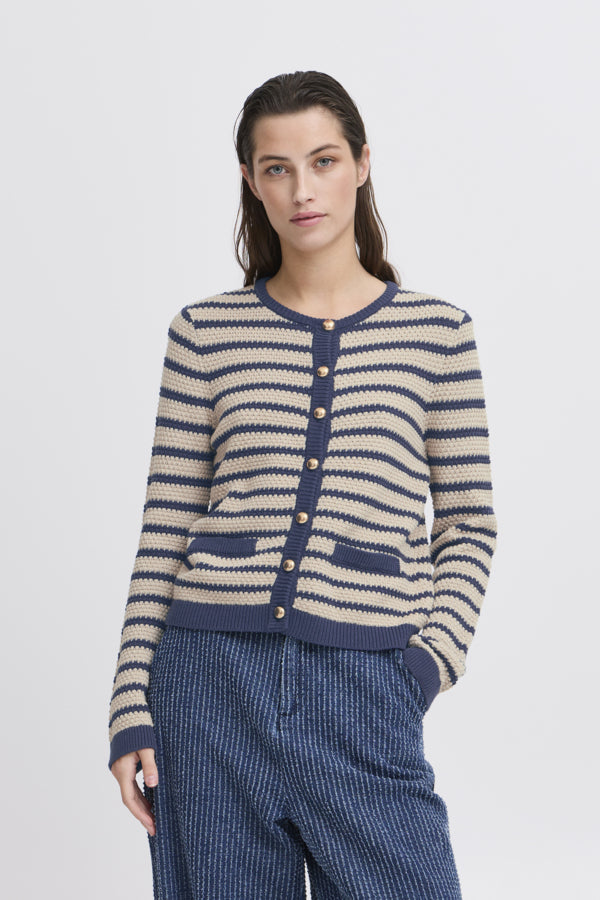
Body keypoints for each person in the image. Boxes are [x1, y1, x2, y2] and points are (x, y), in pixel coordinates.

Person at [108, 70, 498, 899]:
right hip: (208, 688)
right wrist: (131, 701)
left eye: (322, 161)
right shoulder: (204, 333)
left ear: (362, 163)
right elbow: (165, 526)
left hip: (365, 686)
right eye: (277, 168)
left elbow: (469, 525)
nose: (302, 190)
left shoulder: (438, 334)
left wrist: (425, 666)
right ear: (251, 181)